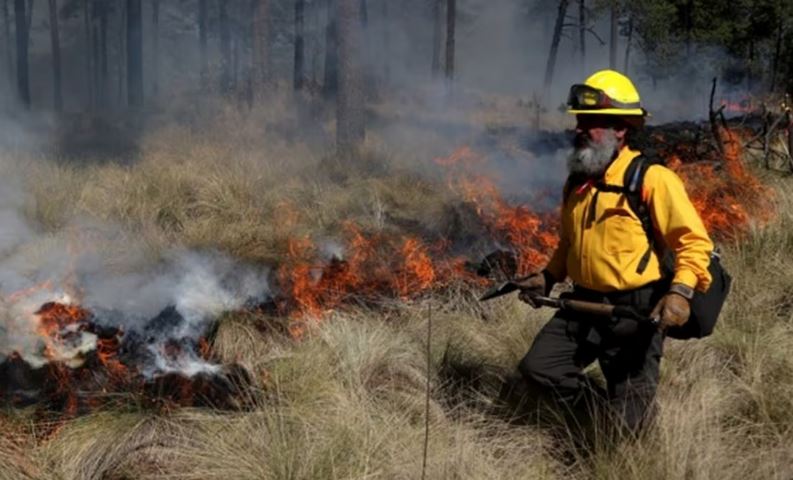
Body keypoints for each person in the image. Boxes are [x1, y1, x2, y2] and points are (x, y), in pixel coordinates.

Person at [516, 69, 714, 433]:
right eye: (579, 120)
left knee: (627, 428)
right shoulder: (578, 181)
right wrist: (548, 276)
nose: (579, 129)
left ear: (620, 129)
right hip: (582, 304)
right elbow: (570, 242)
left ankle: (621, 424)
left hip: (635, 311)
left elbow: (694, 242)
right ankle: (593, 415)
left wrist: (681, 292)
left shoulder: (652, 179)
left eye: (591, 122)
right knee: (539, 369)